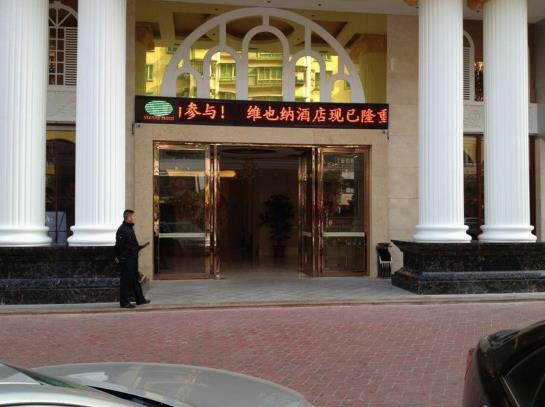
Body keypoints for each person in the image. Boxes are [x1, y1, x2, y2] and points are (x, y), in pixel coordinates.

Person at [114, 209, 150, 308]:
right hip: (126, 259)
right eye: (133, 216)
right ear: (129, 218)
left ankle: (140, 300)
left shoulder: (129, 228)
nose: (135, 218)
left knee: (135, 279)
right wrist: (118, 256)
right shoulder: (122, 230)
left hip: (133, 258)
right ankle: (124, 302)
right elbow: (119, 245)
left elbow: (130, 244)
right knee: (126, 281)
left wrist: (138, 248)